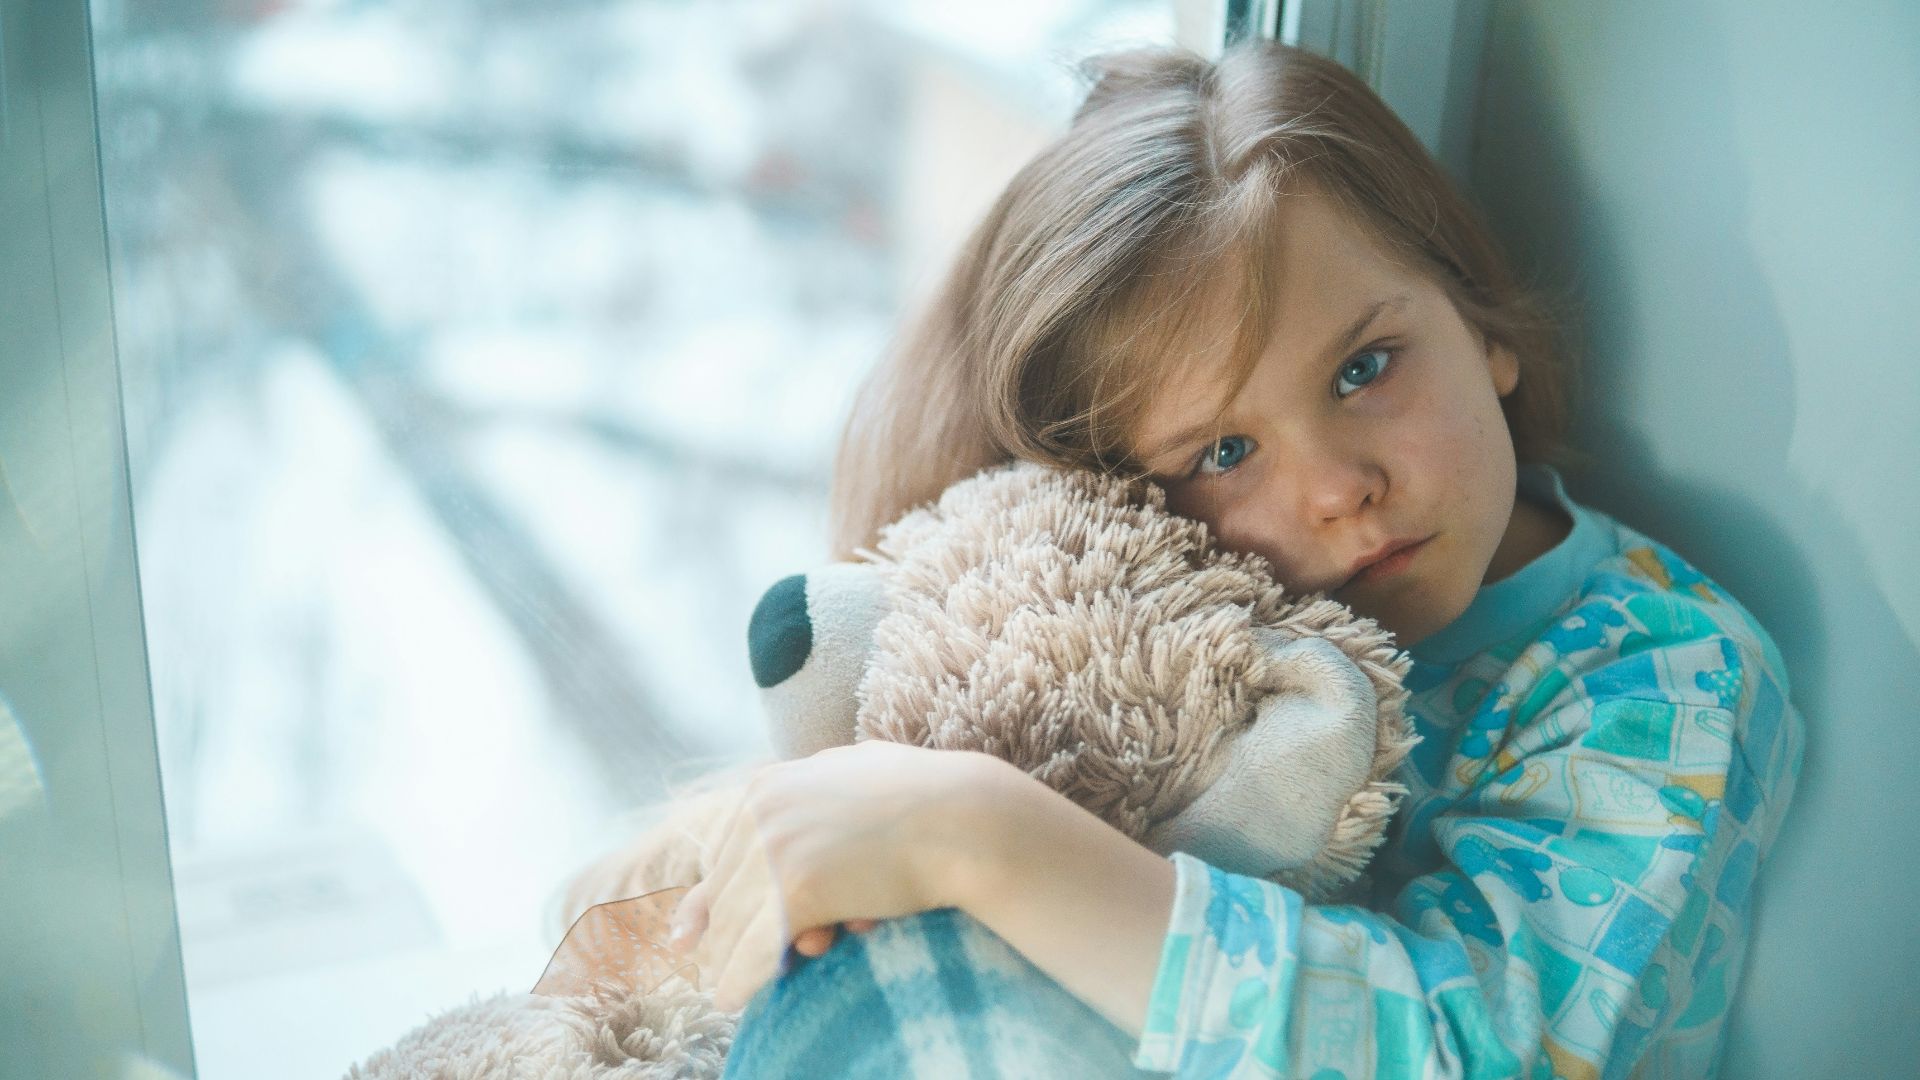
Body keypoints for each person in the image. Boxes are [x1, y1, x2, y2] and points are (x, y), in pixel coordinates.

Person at [664, 39, 1804, 1077]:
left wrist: (981, 837)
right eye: (1223, 449)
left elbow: (1478, 1052)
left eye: (1366, 369)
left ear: (1484, 325)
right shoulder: (1165, 639)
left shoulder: (1662, 674)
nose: (1333, 487)